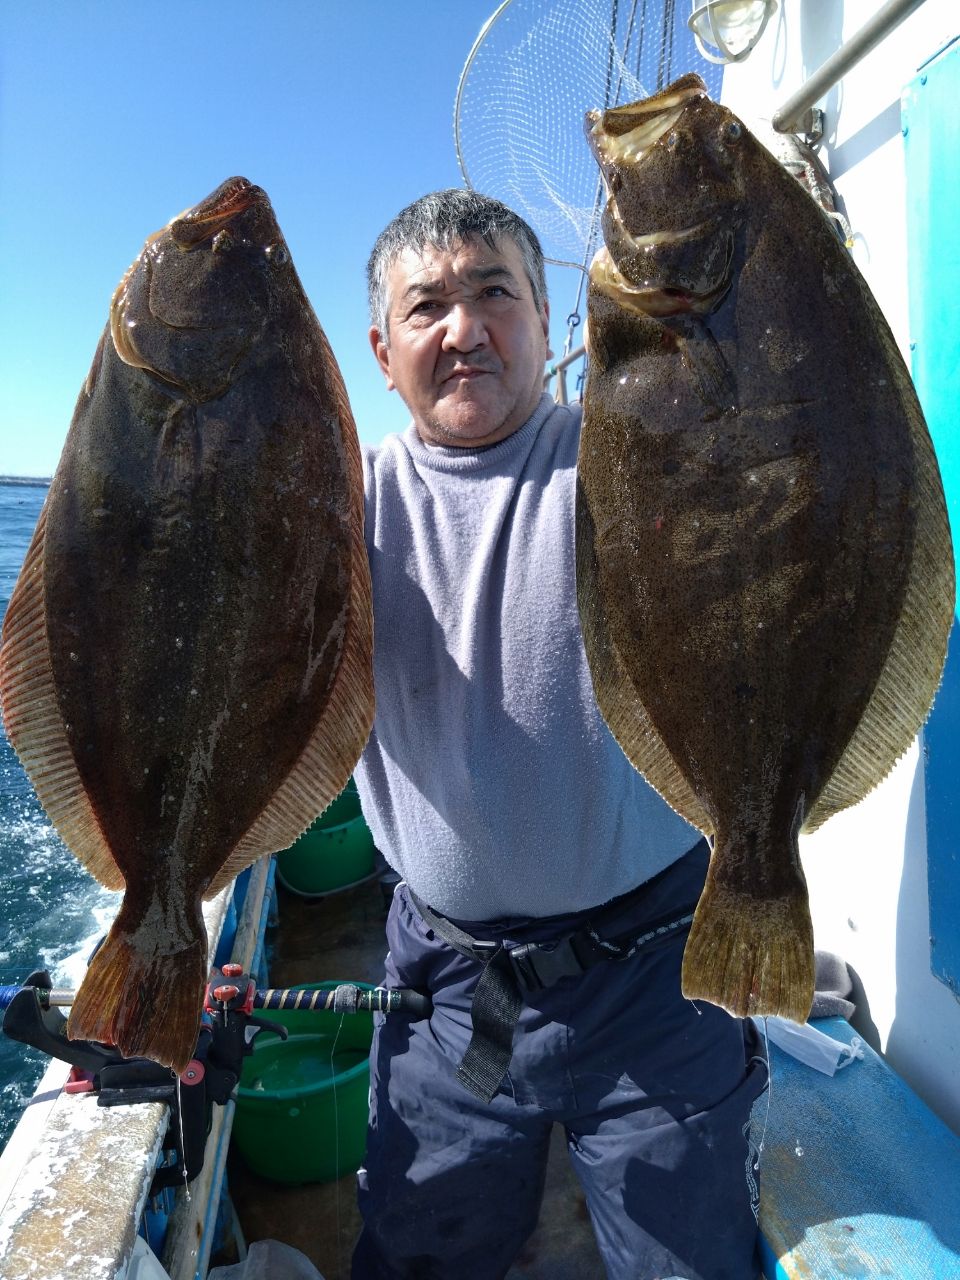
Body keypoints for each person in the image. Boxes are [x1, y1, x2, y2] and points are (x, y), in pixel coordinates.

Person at [349, 188, 768, 1280]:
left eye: (497, 292)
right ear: (382, 345)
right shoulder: (338, 506)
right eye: (428, 303)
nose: (464, 327)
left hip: (660, 973)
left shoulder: (641, 456)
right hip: (445, 986)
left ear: (550, 319)